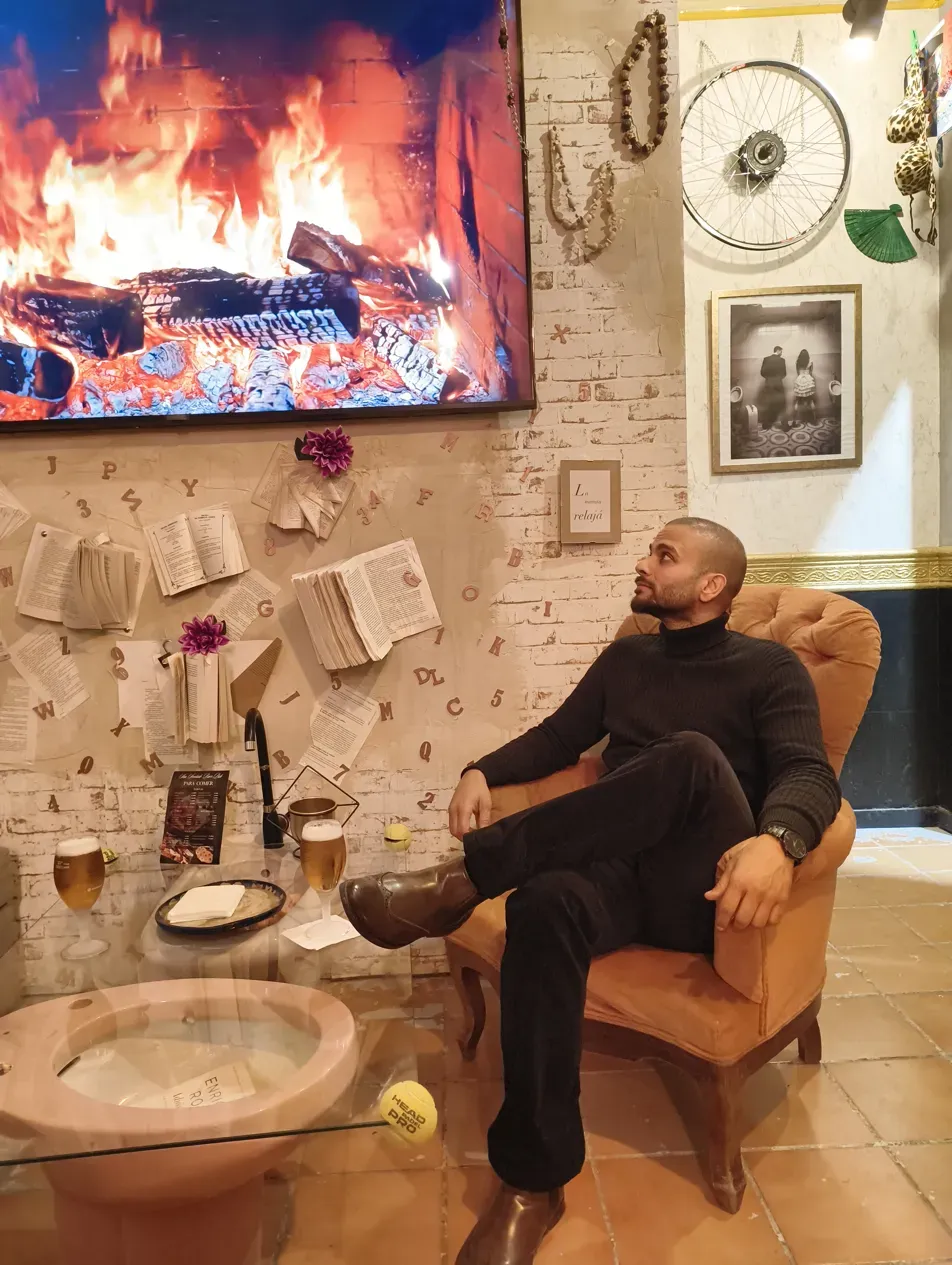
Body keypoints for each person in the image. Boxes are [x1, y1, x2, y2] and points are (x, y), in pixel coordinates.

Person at [341, 517, 840, 1265]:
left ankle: (463, 879)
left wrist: (779, 841)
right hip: (623, 877)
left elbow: (809, 772)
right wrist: (481, 768)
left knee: (690, 757)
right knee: (543, 905)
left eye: (663, 556)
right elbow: (557, 737)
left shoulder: (769, 669)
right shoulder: (627, 659)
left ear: (711, 585)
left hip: (708, 888)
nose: (644, 564)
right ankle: (532, 1183)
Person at [758, 344, 787, 430]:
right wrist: (777, 379)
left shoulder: (766, 359)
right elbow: (784, 373)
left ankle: (765, 425)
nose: (781, 353)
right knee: (782, 404)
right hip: (778, 384)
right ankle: (785, 426)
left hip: (769, 384)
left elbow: (762, 372)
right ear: (778, 350)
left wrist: (769, 379)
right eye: (781, 351)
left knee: (767, 404)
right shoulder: (782, 360)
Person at [793, 347, 816, 427]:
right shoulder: (810, 362)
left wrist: (801, 377)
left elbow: (797, 372)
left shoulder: (797, 362)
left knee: (797, 401)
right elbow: (811, 373)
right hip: (808, 380)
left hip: (800, 379)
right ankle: (814, 419)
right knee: (811, 401)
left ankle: (794, 421)